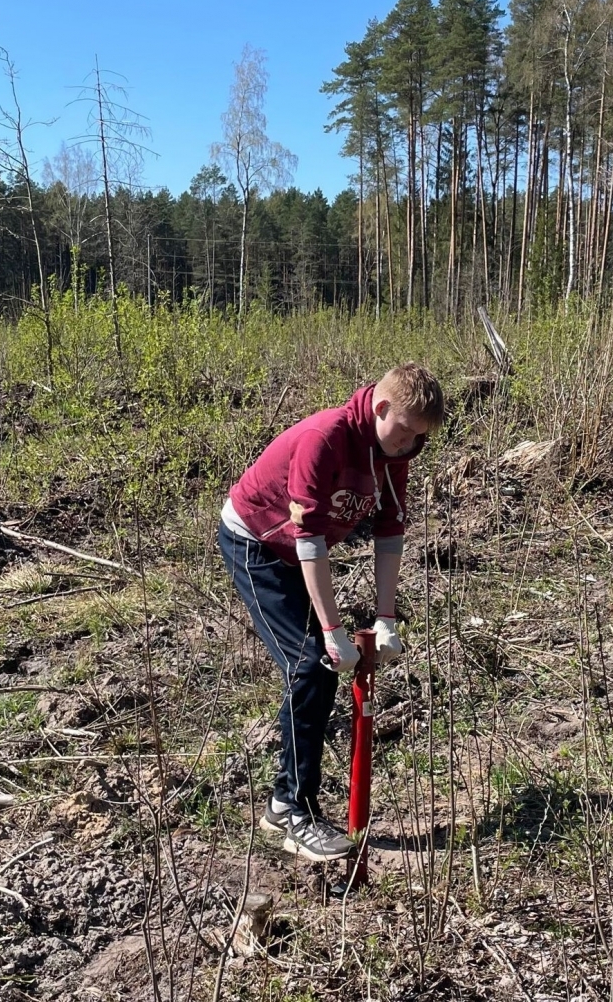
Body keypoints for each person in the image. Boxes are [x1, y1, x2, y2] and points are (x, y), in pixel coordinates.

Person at [218, 363, 444, 862]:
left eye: (418, 439)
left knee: (314, 668)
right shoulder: (326, 437)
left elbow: (390, 533)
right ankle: (293, 810)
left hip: (297, 548)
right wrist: (331, 629)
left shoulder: (393, 451)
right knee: (310, 666)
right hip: (256, 541)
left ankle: (283, 802)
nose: (410, 446)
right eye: (406, 432)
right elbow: (310, 540)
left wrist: (386, 617)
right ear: (381, 408)